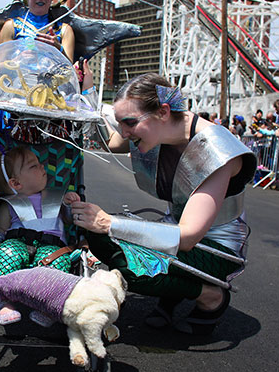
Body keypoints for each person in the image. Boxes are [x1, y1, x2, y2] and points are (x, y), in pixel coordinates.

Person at [70, 72, 256, 335]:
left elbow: (189, 235)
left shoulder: (215, 150)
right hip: (175, 230)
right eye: (121, 123)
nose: (123, 131)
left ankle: (209, 295)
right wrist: (87, 89)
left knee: (130, 265)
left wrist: (109, 222)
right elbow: (109, 142)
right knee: (98, 235)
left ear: (163, 111)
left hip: (215, 247)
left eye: (129, 123)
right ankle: (173, 289)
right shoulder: (156, 128)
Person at [0, 146, 80, 325]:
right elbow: (1, 228)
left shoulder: (57, 197)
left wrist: (69, 205)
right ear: (16, 183)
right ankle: (6, 302)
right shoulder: (9, 204)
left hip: (51, 246)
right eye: (34, 166)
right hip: (17, 242)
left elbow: (69, 221)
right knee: (7, 253)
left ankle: (46, 306)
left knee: (56, 261)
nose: (42, 167)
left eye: (39, 163)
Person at [0, 0, 75, 61]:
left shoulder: (64, 31)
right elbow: (0, 67)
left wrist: (59, 49)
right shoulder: (11, 27)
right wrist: (19, 60)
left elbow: (70, 72)